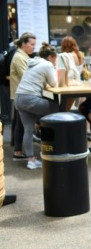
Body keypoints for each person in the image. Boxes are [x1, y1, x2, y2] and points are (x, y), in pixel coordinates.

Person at [14, 44, 59, 170]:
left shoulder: (33, 63)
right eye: (55, 59)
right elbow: (54, 83)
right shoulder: (48, 64)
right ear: (51, 57)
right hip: (30, 98)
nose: (56, 61)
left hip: (19, 98)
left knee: (28, 129)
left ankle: (31, 161)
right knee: (59, 109)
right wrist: (54, 68)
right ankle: (60, 149)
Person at [9, 32, 36, 161]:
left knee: (20, 123)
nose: (34, 47)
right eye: (31, 44)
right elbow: (27, 76)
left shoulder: (23, 56)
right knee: (21, 124)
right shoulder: (20, 57)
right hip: (21, 95)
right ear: (24, 44)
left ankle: (18, 150)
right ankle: (18, 152)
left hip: (21, 94)